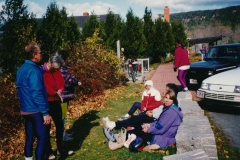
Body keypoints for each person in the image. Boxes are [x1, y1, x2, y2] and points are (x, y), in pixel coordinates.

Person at [103, 89, 183, 151]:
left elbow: (161, 128)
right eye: (166, 97)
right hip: (160, 134)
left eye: (169, 99)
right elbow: (159, 123)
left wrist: (148, 130)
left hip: (161, 137)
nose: (166, 100)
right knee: (137, 129)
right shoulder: (169, 108)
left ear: (174, 100)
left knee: (136, 134)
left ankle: (115, 138)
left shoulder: (170, 112)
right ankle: (117, 137)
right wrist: (149, 125)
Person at [16, 42, 52, 160]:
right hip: (36, 110)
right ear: (34, 55)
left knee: (30, 138)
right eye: (40, 52)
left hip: (25, 110)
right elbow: (36, 93)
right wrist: (45, 112)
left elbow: (21, 90)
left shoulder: (21, 69)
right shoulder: (34, 70)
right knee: (43, 137)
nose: (41, 55)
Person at [42, 53, 73, 159]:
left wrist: (60, 90)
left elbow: (61, 82)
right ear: (49, 63)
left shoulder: (56, 71)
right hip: (46, 102)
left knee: (59, 125)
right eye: (54, 68)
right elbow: (44, 87)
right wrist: (55, 93)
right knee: (46, 127)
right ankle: (48, 150)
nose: (55, 70)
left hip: (56, 101)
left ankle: (61, 147)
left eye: (57, 69)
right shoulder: (42, 72)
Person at [58, 49, 82, 141]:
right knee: (62, 117)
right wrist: (75, 82)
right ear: (64, 59)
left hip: (63, 96)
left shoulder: (61, 67)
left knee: (62, 116)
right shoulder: (62, 68)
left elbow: (70, 76)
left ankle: (63, 133)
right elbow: (68, 80)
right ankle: (62, 135)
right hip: (62, 97)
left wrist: (76, 80)